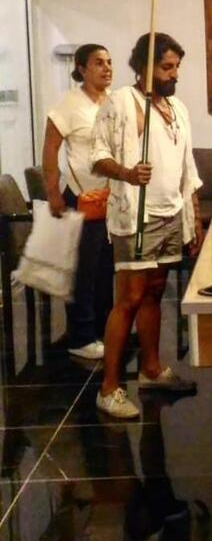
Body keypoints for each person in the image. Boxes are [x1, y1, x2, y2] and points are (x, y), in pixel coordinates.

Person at [90, 32, 204, 419]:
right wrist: (126, 172)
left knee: (155, 293)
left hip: (171, 215)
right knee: (130, 299)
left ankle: (151, 370)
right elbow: (97, 155)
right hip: (136, 218)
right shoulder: (122, 102)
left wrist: (193, 216)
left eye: (177, 67)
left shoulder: (178, 108)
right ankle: (108, 389)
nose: (175, 74)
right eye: (167, 67)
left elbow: (187, 167)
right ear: (145, 67)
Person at [42, 44, 115, 360]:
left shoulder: (112, 102)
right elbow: (50, 148)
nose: (107, 68)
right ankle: (80, 337)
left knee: (105, 268)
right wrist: (53, 193)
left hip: (110, 197)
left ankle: (103, 328)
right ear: (82, 69)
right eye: (99, 62)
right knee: (82, 270)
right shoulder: (69, 104)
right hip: (80, 196)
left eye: (109, 62)